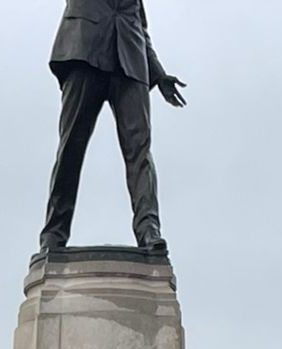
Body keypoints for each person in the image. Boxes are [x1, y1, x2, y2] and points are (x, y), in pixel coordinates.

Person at [41, 0, 188, 254]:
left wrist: (158, 73)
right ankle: (54, 233)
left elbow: (139, 27)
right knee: (71, 149)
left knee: (140, 152)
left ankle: (149, 229)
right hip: (85, 50)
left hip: (130, 63)